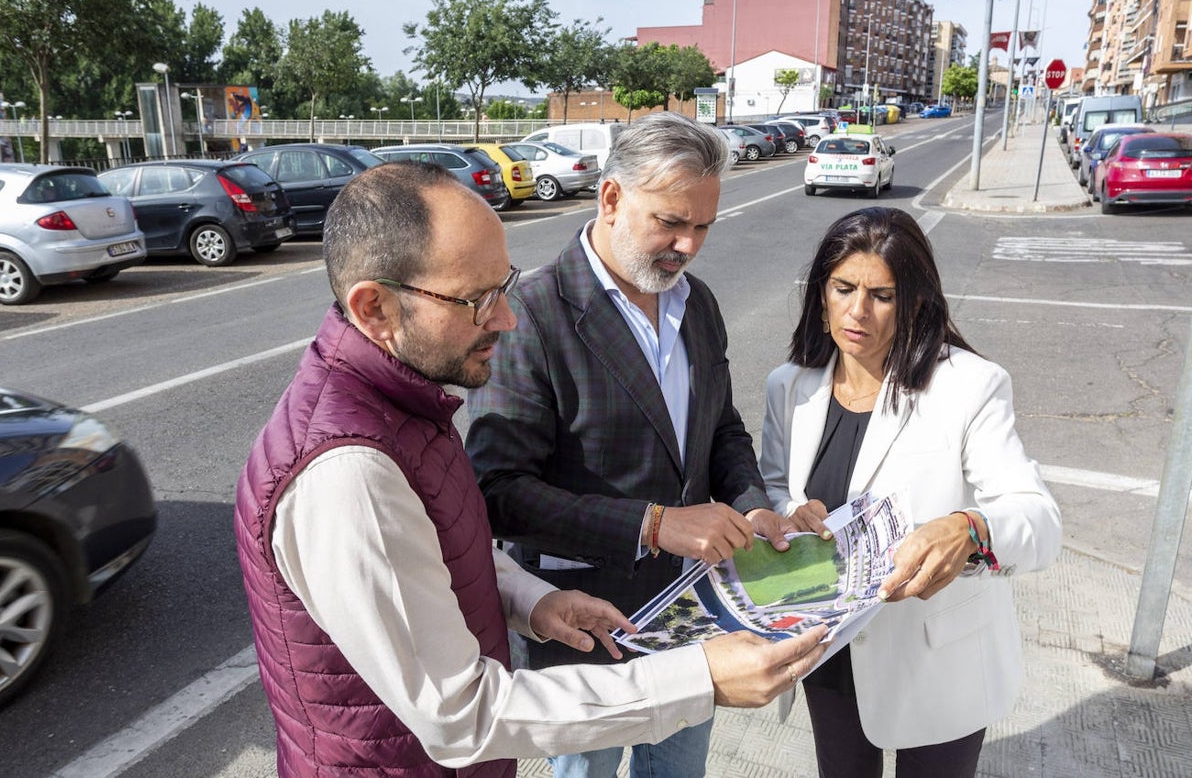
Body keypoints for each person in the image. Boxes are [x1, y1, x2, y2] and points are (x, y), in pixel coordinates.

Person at [234, 160, 828, 777]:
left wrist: (532, 600)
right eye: (477, 300)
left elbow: (442, 542)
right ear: (376, 309)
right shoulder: (348, 473)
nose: (505, 318)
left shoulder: (406, 403)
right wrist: (698, 675)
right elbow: (461, 714)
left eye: (504, 286)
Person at [465, 111, 797, 778]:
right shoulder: (532, 314)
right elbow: (499, 493)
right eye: (671, 222)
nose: (689, 244)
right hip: (587, 626)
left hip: (694, 616)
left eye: (703, 226)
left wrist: (752, 503)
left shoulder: (694, 302)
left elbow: (721, 428)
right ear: (611, 198)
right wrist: (655, 525)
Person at [758, 207, 1062, 777]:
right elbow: (774, 485)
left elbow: (1039, 519)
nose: (857, 311)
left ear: (916, 302)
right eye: (843, 288)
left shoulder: (969, 386)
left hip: (938, 660)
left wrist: (971, 527)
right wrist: (787, 515)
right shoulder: (788, 385)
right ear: (820, 293)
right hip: (829, 651)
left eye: (882, 295)